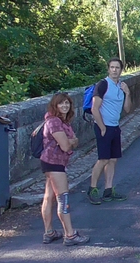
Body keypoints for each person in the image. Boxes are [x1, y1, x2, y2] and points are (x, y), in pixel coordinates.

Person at [40, 93, 90, 246]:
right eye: (61, 104)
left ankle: (49, 233)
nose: (65, 106)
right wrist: (71, 141)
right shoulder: (54, 122)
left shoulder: (62, 121)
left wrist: (71, 141)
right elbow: (67, 145)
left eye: (67, 103)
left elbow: (73, 140)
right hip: (54, 164)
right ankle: (70, 235)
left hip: (50, 162)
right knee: (63, 198)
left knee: (49, 197)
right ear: (55, 105)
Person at [87, 57, 132, 204]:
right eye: (112, 67)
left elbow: (127, 109)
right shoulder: (103, 85)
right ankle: (92, 189)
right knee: (103, 159)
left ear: (121, 70)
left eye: (117, 68)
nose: (114, 70)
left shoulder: (121, 86)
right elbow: (95, 108)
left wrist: (128, 93)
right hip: (103, 127)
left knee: (113, 160)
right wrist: (102, 127)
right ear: (108, 69)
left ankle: (108, 190)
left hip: (115, 127)